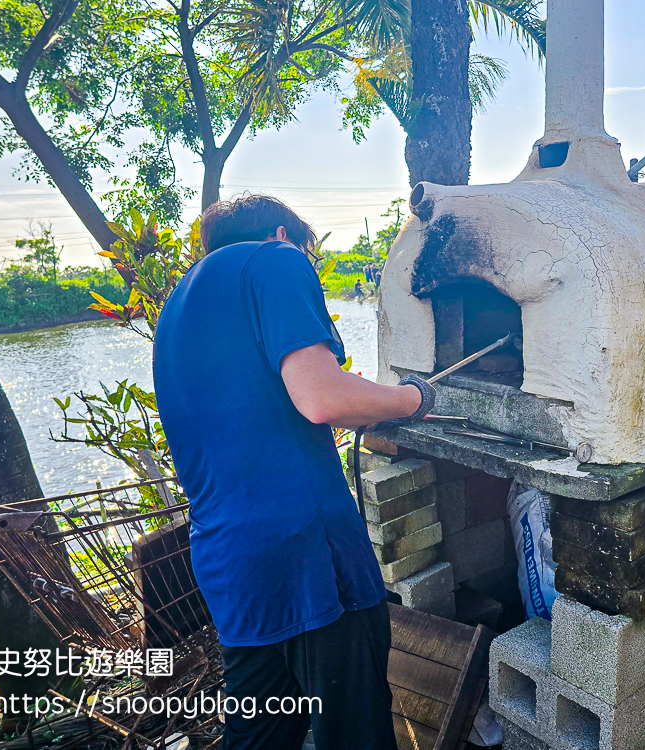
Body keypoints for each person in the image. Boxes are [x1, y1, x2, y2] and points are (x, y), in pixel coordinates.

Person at [152, 194, 435, 750]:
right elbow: (321, 397)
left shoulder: (175, 310)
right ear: (283, 235)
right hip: (305, 558)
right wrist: (410, 397)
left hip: (230, 567)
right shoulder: (276, 259)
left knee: (261, 736)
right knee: (356, 734)